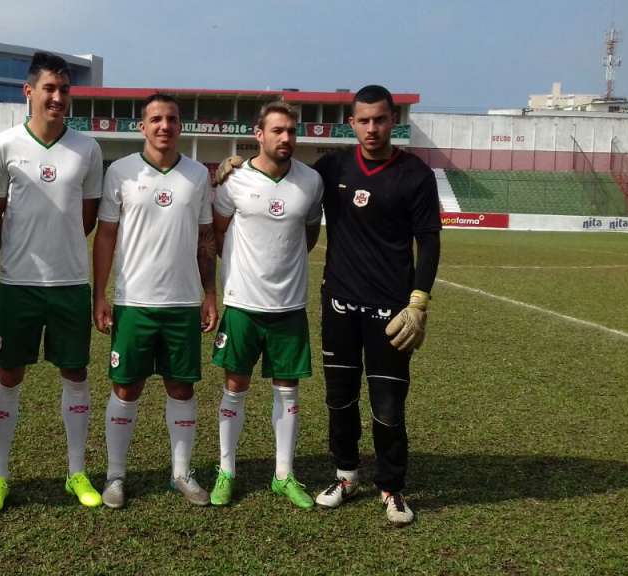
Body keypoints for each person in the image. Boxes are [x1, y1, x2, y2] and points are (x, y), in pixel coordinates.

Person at [217, 85, 440, 525]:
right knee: (339, 400)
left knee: (388, 403)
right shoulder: (332, 168)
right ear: (351, 123)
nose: (372, 128)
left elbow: (429, 239)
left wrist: (419, 301)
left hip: (391, 310)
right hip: (337, 303)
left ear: (392, 120)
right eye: (363, 120)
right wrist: (233, 163)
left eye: (379, 119)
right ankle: (345, 474)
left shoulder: (414, 173)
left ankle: (392, 487)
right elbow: (268, 182)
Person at [0, 51, 104, 514]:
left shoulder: (87, 149)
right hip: (18, 284)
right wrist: (15, 250)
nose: (57, 97)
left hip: (70, 283)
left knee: (75, 373)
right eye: (49, 88)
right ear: (28, 92)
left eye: (64, 89)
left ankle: (76, 472)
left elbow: (87, 218)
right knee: (8, 373)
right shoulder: (4, 144)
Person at [93, 93, 218, 509]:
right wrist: (101, 294)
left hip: (182, 303)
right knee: (125, 388)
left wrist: (209, 294)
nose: (165, 126)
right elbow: (106, 236)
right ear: (142, 127)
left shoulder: (198, 174)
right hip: (134, 301)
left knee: (180, 388)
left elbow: (205, 238)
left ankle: (181, 473)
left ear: (180, 126)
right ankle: (115, 476)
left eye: (173, 119)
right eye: (157, 119)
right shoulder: (122, 173)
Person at [208, 102, 323, 509]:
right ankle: (226, 471)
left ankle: (283, 475)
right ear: (259, 134)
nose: (286, 138)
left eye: (291, 131)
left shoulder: (311, 181)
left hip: (289, 306)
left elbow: (309, 236)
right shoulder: (234, 180)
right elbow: (218, 234)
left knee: (287, 391)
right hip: (242, 303)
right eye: (277, 130)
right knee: (234, 387)